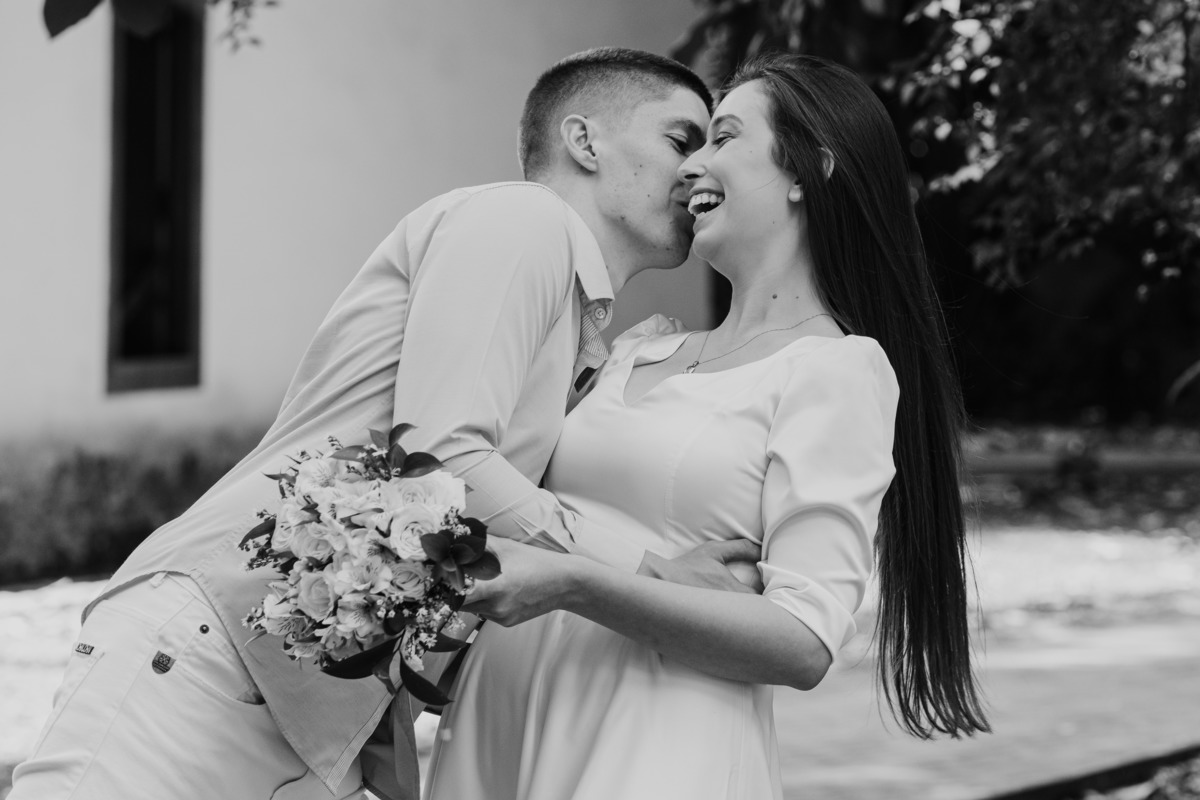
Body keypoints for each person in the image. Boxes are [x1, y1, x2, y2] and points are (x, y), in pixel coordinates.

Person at [9, 48, 760, 800]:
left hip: (301, 696)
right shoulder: (524, 219)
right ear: (585, 141)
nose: (702, 171)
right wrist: (650, 573)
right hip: (218, 648)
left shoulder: (571, 314)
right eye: (682, 140)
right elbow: (442, 462)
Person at [424, 53, 992, 800]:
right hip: (506, 714)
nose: (693, 165)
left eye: (723, 137)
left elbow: (803, 641)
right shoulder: (637, 348)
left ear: (806, 169)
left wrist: (574, 581)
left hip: (653, 739)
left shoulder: (832, 370)